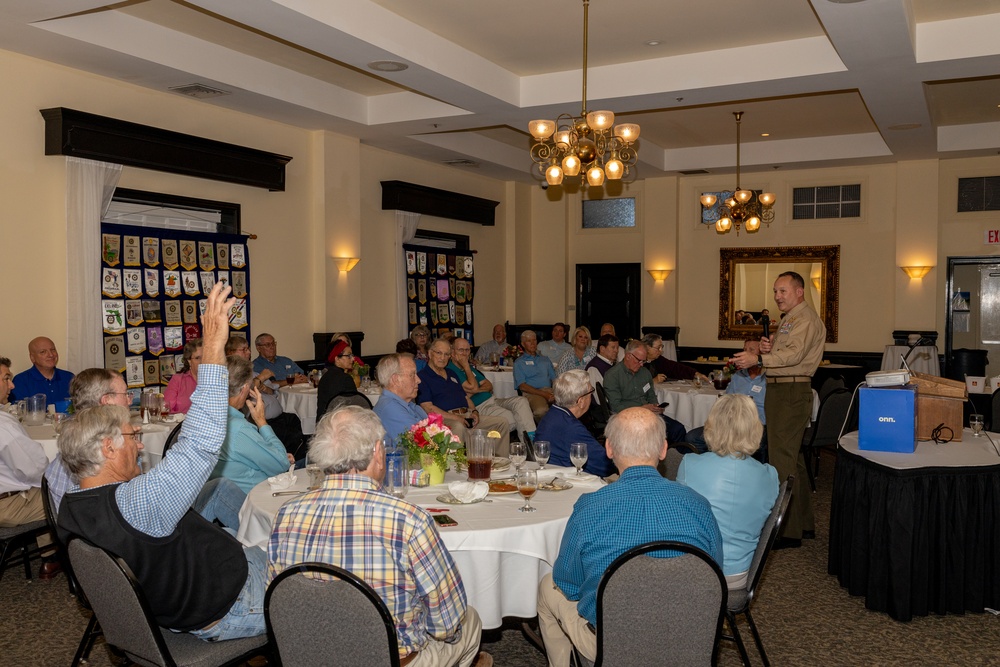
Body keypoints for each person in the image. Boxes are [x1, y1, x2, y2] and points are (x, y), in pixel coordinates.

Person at [58, 282, 269, 642]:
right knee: (326, 572)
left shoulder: (71, 507)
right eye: (132, 437)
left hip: (184, 598)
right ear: (107, 448)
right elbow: (199, 443)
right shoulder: (138, 504)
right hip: (233, 601)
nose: (140, 446)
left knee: (245, 529)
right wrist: (215, 345)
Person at [268, 406, 490, 667]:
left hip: (308, 656)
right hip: (391, 661)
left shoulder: (286, 514)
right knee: (470, 620)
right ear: (378, 453)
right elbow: (446, 624)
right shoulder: (409, 520)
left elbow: (277, 605)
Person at [536, 408, 723, 666]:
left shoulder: (590, 508)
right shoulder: (699, 505)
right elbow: (714, 576)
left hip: (611, 646)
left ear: (609, 448)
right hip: (688, 640)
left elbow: (568, 584)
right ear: (663, 449)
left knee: (548, 587)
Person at [49, 367, 246, 530]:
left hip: (123, 532)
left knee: (219, 490)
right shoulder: (94, 454)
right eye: (125, 394)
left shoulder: (71, 448)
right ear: (106, 401)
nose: (129, 400)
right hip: (140, 533)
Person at [733, 271, 825, 549]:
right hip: (782, 389)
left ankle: (786, 531)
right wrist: (769, 349)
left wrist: (759, 357)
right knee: (793, 459)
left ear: (799, 291)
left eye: (782, 291)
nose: (777, 297)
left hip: (790, 391)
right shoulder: (789, 320)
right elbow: (785, 353)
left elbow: (795, 356)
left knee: (780, 461)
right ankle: (804, 523)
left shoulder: (805, 318)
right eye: (775, 291)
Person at [676, 394, 779, 589]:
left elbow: (680, 518)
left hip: (699, 570)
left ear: (711, 425)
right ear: (755, 427)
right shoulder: (770, 475)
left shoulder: (690, 464)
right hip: (743, 574)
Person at [211, 355, 295, 493]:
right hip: (254, 496)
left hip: (223, 489)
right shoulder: (238, 429)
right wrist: (261, 421)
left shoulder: (207, 418)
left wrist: (274, 455)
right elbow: (281, 465)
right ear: (245, 388)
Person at [417, 340, 510, 456]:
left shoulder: (451, 373)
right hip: (444, 419)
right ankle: (457, 469)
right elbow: (428, 408)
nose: (443, 357)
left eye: (446, 354)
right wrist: (456, 417)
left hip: (466, 415)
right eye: (439, 353)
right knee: (458, 426)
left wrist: (475, 411)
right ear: (430, 354)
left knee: (501, 423)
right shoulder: (422, 377)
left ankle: (498, 463)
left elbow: (466, 398)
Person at [0, 356, 52, 561]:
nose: (12, 385)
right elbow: (34, 469)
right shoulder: (3, 424)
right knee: (69, 494)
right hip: (6, 507)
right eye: (6, 379)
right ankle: (55, 559)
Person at [226, 336, 305, 460]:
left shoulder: (253, 372)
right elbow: (243, 391)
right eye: (244, 349)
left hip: (277, 415)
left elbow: (272, 390)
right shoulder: (232, 373)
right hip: (261, 420)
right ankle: (285, 460)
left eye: (248, 349)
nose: (249, 352)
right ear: (230, 352)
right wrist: (260, 379)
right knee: (291, 436)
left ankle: (294, 459)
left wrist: (265, 386)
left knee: (294, 421)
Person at [685, 340, 767, 458]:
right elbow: (727, 401)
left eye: (751, 350)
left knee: (750, 443)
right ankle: (712, 466)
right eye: (744, 349)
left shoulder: (769, 378)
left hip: (755, 425)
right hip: (731, 423)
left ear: (761, 354)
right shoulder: (738, 376)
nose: (745, 353)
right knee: (692, 437)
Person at [449, 337, 536, 444]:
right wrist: (467, 366)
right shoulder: (451, 369)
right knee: (515, 419)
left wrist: (475, 390)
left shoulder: (471, 369)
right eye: (461, 350)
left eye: (467, 350)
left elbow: (489, 385)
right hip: (479, 407)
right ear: (452, 353)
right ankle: (527, 447)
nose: (465, 353)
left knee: (521, 401)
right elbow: (473, 387)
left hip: (493, 400)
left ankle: (532, 443)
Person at [602, 340, 686, 445]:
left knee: (678, 429)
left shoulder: (645, 373)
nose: (642, 364)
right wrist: (641, 408)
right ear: (628, 356)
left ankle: (676, 459)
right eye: (639, 361)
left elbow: (651, 395)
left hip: (649, 414)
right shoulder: (612, 376)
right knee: (650, 434)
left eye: (644, 361)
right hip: (626, 417)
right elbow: (616, 406)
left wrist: (656, 406)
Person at [533, 370, 614, 477]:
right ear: (580, 402)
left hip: (553, 474)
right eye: (591, 392)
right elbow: (604, 465)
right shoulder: (571, 428)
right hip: (565, 481)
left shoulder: (553, 414)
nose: (591, 396)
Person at [373, 353, 428, 444]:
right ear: (395, 380)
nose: (418, 380)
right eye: (412, 375)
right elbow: (422, 444)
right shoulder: (390, 409)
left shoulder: (408, 404)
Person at [315, 339, 364, 426]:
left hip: (323, 426)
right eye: (348, 356)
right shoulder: (345, 379)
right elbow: (355, 409)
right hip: (339, 426)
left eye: (352, 355)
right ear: (337, 359)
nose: (353, 359)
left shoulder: (325, 377)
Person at [11, 337, 74, 404]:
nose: (51, 355)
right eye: (43, 352)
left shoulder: (69, 377)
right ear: (32, 358)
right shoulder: (21, 381)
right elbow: (18, 411)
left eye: (53, 350)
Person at [514, 330, 557, 421]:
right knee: (541, 411)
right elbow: (522, 386)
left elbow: (555, 379)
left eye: (534, 340)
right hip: (532, 393)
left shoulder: (545, 359)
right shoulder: (519, 363)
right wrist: (544, 394)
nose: (533, 343)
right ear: (523, 344)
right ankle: (543, 432)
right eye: (529, 341)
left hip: (549, 390)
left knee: (567, 405)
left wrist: (558, 392)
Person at [641, 333, 707, 383]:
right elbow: (634, 386)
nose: (661, 351)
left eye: (662, 347)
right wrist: (652, 381)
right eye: (658, 348)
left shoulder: (658, 360)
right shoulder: (637, 362)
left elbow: (675, 367)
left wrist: (695, 374)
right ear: (647, 347)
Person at [164, 339, 202, 414]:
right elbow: (166, 409)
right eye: (198, 358)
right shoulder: (178, 380)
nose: (202, 361)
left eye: (205, 357)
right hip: (182, 424)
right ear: (189, 361)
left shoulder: (215, 381)